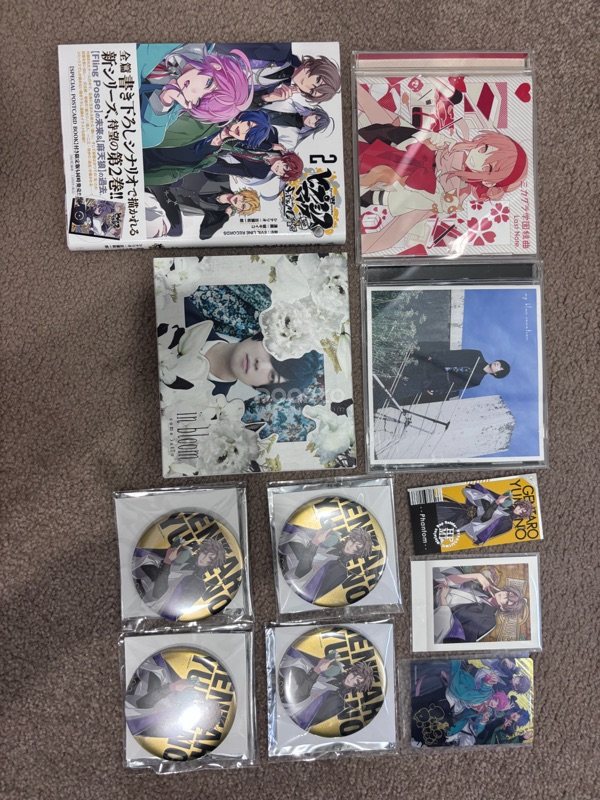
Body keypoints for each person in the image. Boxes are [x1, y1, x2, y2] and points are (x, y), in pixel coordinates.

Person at [137, 44, 254, 147]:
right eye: (208, 84)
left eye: (198, 101)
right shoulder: (188, 42)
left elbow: (147, 139)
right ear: (216, 67)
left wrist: (164, 101)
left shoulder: (180, 101)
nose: (192, 91)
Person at [143, 109, 277, 185]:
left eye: (248, 134)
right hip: (140, 142)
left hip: (142, 170)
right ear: (243, 115)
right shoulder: (206, 119)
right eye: (248, 124)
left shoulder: (211, 157)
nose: (243, 131)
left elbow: (175, 173)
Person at [375, 343, 510, 408]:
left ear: (497, 374)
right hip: (432, 365)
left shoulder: (476, 381)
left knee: (401, 390)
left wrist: (437, 391)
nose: (498, 364)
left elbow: (455, 387)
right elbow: (455, 354)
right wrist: (434, 356)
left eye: (500, 367)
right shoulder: (477, 355)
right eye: (499, 363)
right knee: (396, 369)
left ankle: (376, 398)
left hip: (432, 382)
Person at [132, 537, 227, 621]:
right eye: (205, 553)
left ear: (212, 564)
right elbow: (147, 553)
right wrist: (173, 548)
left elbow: (159, 594)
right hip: (138, 583)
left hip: (150, 608)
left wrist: (168, 561)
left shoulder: (198, 586)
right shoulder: (185, 555)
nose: (204, 558)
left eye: (210, 559)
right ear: (201, 551)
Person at [279, 649, 374, 730]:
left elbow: (305, 716)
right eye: (354, 674)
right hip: (287, 680)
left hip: (290, 707)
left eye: (357, 681)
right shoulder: (335, 672)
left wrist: (317, 670)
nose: (351, 679)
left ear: (357, 687)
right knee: (300, 662)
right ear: (351, 671)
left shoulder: (338, 703)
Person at [278, 523, 373, 603]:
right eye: (352, 541)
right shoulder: (333, 548)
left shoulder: (341, 572)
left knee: (298, 537)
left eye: (356, 547)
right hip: (286, 564)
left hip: (293, 586)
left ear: (358, 553)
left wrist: (315, 543)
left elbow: (307, 582)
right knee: (298, 535)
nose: (351, 546)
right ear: (349, 538)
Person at [146, 176, 261, 240]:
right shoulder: (223, 179)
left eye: (243, 205)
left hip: (172, 198)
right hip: (176, 180)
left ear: (240, 210)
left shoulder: (219, 212)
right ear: (242, 192)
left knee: (175, 231)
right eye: (243, 198)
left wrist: (225, 217)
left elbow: (204, 235)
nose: (239, 201)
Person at [433, 566, 526, 644]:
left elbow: (457, 639)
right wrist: (476, 576)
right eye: (508, 593)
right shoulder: (483, 589)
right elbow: (448, 581)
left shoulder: (488, 620)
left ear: (503, 608)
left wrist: (442, 600)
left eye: (507, 601)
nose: (504, 596)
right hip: (436, 587)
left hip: (435, 613)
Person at [437, 484, 534, 545]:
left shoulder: (508, 523)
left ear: (522, 515)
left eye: (523, 511)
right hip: (463, 509)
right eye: (521, 506)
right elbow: (486, 496)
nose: (520, 509)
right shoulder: (507, 504)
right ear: (519, 504)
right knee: (437, 509)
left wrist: (496, 503)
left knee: (438, 528)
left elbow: (485, 519)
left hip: (466, 522)